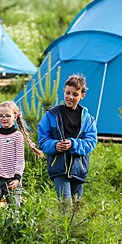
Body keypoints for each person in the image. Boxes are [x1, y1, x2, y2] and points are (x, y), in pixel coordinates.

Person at [37, 74, 98, 203]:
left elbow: (91, 142)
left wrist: (73, 144)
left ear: (82, 96)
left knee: (76, 206)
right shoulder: (51, 115)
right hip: (59, 167)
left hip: (79, 168)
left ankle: (71, 224)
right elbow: (43, 139)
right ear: (64, 91)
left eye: (75, 94)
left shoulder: (88, 119)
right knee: (66, 205)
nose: (70, 97)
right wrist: (55, 145)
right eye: (68, 93)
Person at [0, 101, 44, 209]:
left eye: (8, 116)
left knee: (14, 210)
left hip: (12, 180)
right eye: (1, 116)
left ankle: (14, 226)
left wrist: (17, 179)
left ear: (15, 117)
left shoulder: (17, 136)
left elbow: (20, 159)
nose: (4, 118)